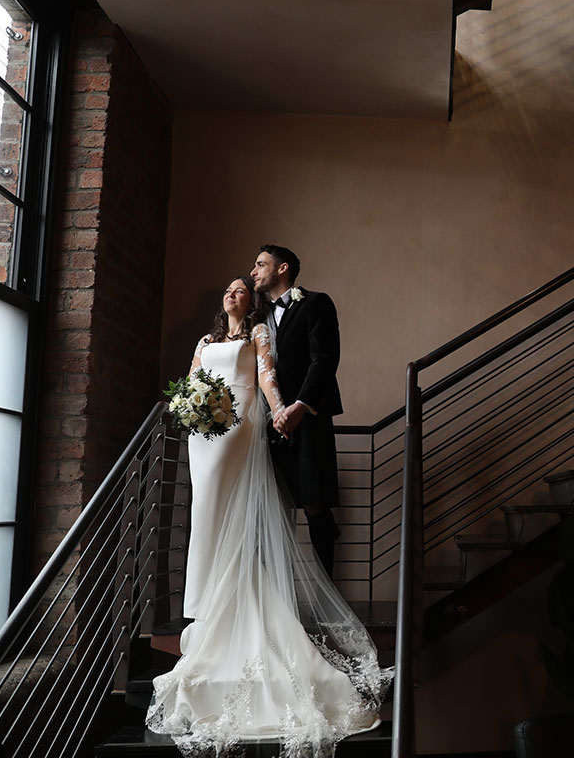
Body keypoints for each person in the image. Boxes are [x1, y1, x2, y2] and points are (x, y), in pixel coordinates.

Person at [147, 276, 391, 758]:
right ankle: (210, 599)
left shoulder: (257, 333)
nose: (233, 293)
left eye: (241, 289)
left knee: (224, 506)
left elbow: (265, 376)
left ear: (250, 299)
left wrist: (279, 410)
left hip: (239, 423)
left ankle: (227, 598)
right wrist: (187, 408)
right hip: (205, 429)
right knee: (206, 511)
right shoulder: (205, 339)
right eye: (229, 290)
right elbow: (192, 377)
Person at [250, 245, 344, 576]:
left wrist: (300, 407)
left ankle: (327, 592)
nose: (253, 271)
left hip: (308, 419)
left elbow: (325, 359)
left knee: (313, 502)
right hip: (263, 421)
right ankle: (276, 596)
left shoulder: (316, 303)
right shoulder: (255, 313)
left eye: (261, 264)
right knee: (268, 504)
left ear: (283, 268)